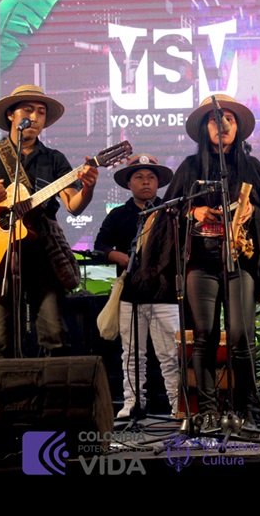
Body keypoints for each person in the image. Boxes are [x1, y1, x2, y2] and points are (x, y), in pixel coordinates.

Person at [141, 95, 260, 432]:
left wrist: (251, 211)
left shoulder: (252, 167)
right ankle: (206, 412)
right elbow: (169, 211)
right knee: (203, 336)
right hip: (200, 263)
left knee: (241, 336)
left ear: (238, 127)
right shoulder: (190, 167)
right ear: (205, 128)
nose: (224, 124)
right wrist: (194, 211)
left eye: (230, 118)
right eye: (216, 119)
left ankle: (244, 410)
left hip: (239, 262)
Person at [0, 85, 98, 358]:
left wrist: (88, 187)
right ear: (11, 115)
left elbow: (73, 206)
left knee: (55, 336)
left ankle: (53, 386)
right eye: (28, 110)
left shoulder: (54, 159)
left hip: (42, 253)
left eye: (41, 112)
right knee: (6, 341)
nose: (35, 117)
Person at [94, 153, 180, 418]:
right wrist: (117, 256)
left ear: (158, 183)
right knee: (131, 354)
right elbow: (100, 245)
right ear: (129, 184)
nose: (145, 182)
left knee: (170, 355)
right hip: (130, 296)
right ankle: (132, 403)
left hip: (165, 295)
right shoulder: (118, 215)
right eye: (139, 177)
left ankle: (178, 405)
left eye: (151, 177)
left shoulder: (171, 212)